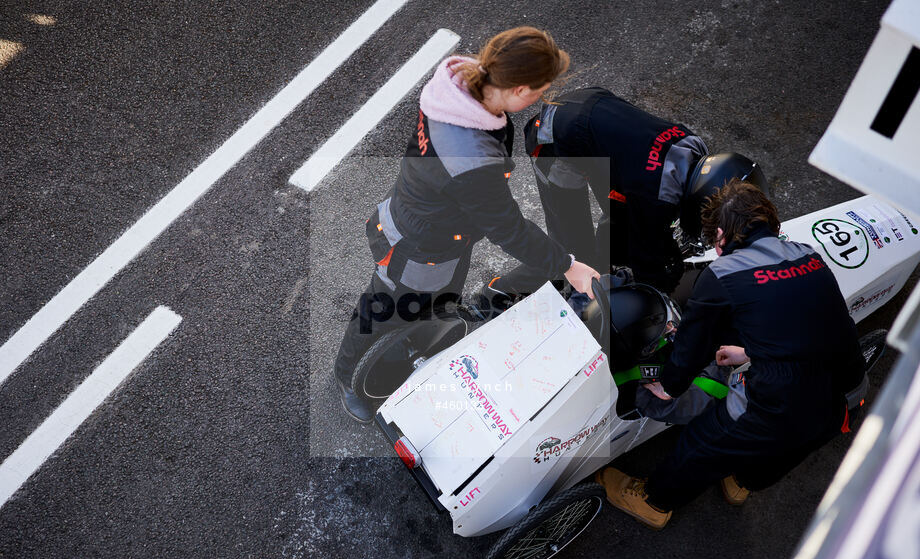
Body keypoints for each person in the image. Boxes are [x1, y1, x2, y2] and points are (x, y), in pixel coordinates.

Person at [333, 27, 601, 423]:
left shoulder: (464, 87)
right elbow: (508, 228)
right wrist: (568, 265)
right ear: (520, 89)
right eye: (541, 90)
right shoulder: (471, 157)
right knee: (386, 306)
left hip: (441, 223)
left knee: (433, 302)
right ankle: (346, 378)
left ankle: (417, 340)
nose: (542, 98)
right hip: (421, 246)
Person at [596, 179, 867, 529]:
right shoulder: (807, 255)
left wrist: (670, 386)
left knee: (702, 441)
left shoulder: (723, 274)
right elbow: (809, 323)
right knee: (788, 448)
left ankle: (654, 502)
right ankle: (741, 483)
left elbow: (691, 346)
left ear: (722, 233)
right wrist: (749, 352)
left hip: (780, 401)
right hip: (847, 388)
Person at [482, 87, 767, 308]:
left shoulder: (694, 149)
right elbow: (650, 259)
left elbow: (641, 225)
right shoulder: (655, 194)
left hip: (593, 117)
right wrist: (663, 290)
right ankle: (499, 291)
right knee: (572, 253)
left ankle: (604, 260)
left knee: (619, 228)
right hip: (554, 139)